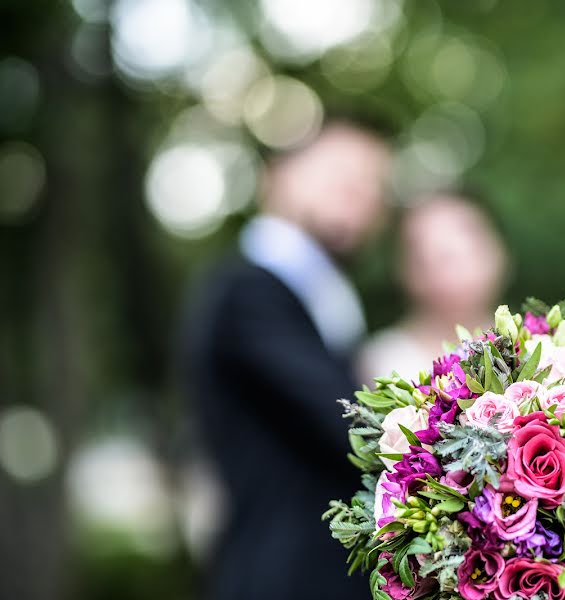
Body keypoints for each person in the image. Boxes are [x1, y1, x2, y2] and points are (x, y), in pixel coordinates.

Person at [181, 122, 389, 600]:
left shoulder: (320, 298)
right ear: (275, 177)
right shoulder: (249, 294)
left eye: (373, 185)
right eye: (340, 172)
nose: (359, 194)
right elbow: (346, 423)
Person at [357, 193, 507, 384]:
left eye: (464, 252)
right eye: (427, 258)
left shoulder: (540, 344)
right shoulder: (384, 360)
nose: (452, 273)